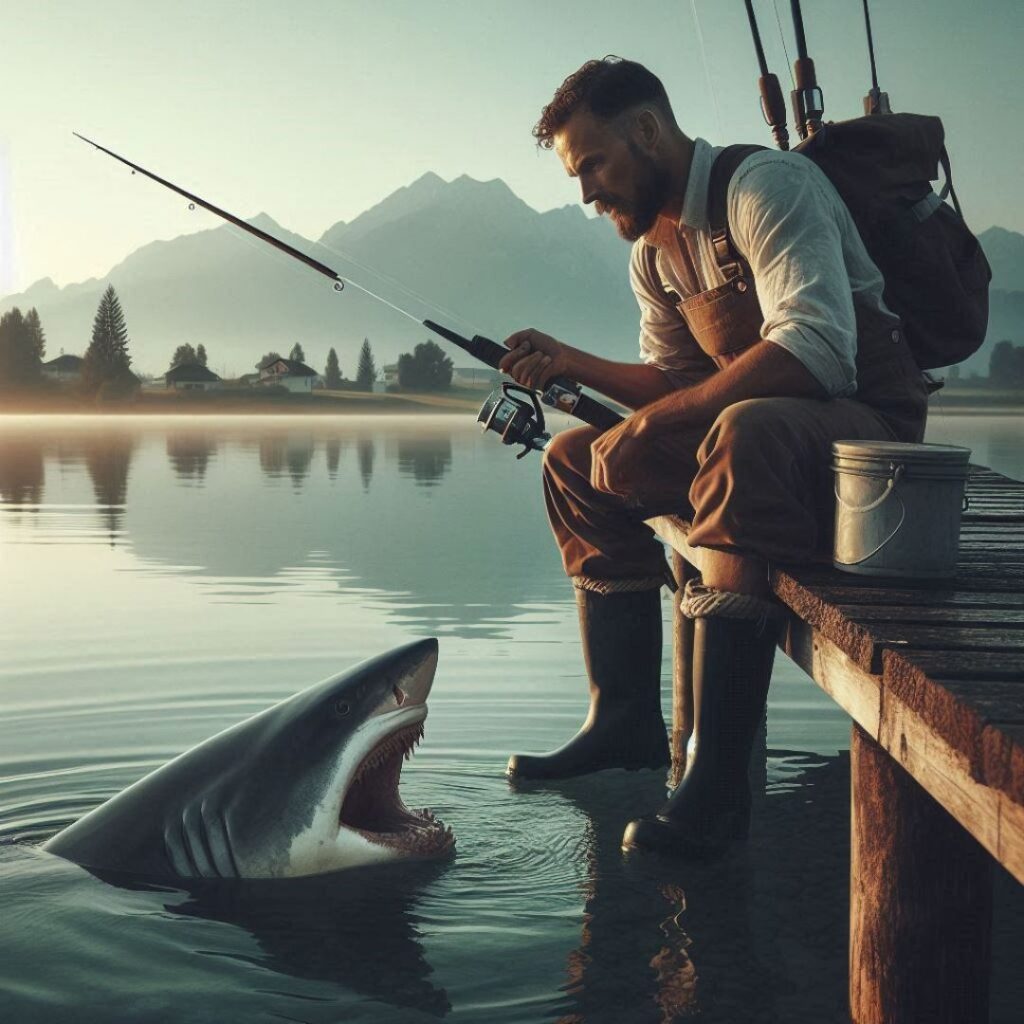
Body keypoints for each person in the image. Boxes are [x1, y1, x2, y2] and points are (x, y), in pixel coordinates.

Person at [498, 57, 928, 859]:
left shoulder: (768, 188)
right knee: (570, 459)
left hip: (871, 432)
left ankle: (718, 786)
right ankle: (623, 722)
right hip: (768, 437)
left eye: (593, 163)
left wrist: (659, 421)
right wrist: (572, 364)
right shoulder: (654, 252)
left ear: (649, 131)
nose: (586, 192)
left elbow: (818, 351)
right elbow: (678, 380)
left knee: (748, 432)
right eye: (575, 173)